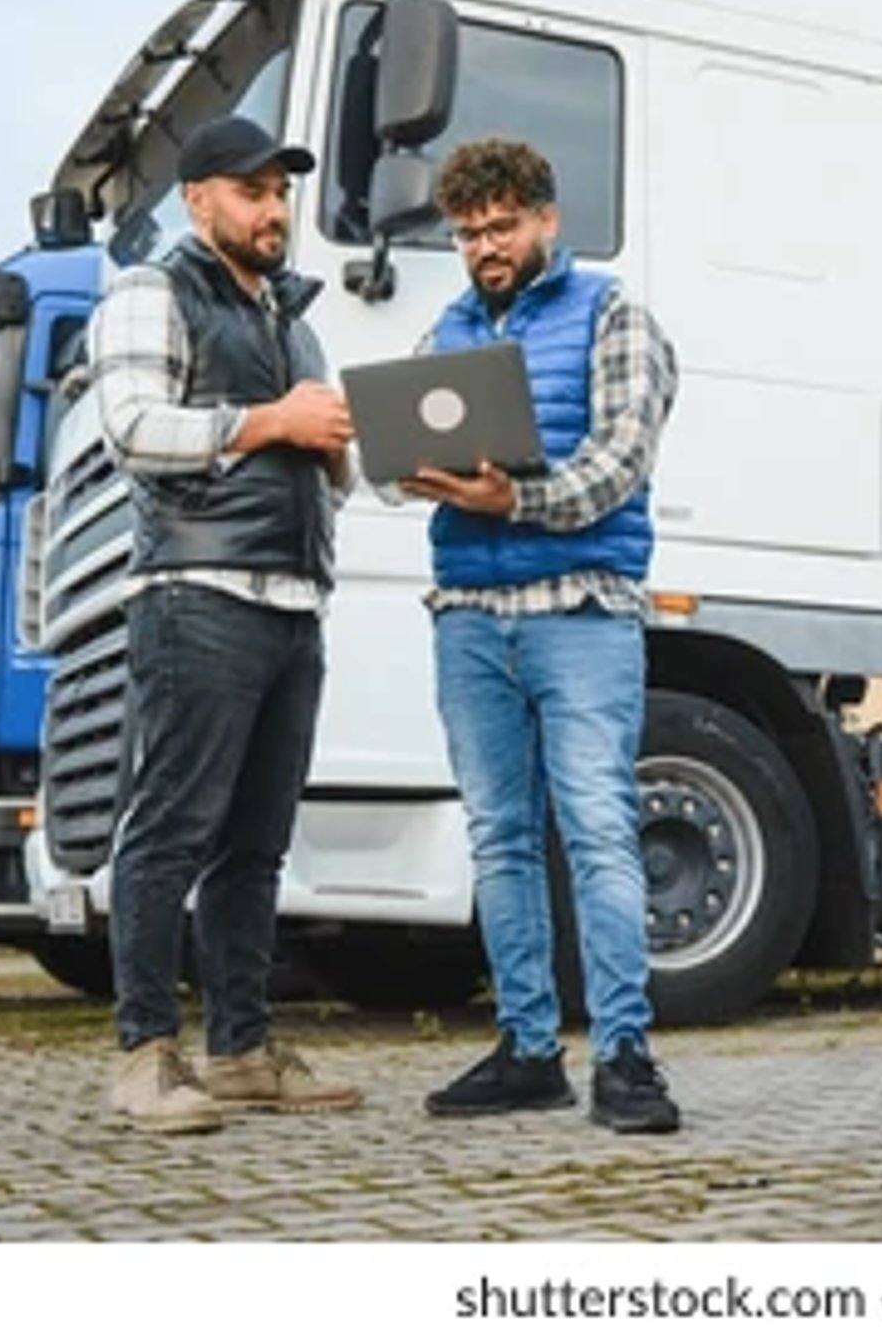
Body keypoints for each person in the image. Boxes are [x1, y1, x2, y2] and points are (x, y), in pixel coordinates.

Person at [86, 115, 362, 1133]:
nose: (273, 209)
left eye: (281, 191)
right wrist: (274, 421)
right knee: (168, 833)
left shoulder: (296, 323)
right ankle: (143, 1057)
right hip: (197, 597)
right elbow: (133, 428)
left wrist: (333, 449)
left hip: (293, 607)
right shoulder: (151, 291)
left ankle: (242, 1052)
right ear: (198, 200)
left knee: (255, 849)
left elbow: (331, 478)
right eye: (252, 191)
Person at [400, 138, 680, 1134]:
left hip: (581, 613)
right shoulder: (445, 332)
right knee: (500, 839)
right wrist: (406, 467)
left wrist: (511, 499)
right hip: (470, 619)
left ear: (547, 221)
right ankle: (528, 1050)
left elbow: (619, 464)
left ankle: (626, 1056)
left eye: (503, 226)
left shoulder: (615, 316)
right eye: (469, 233)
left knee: (599, 828)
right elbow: (397, 469)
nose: (486, 247)